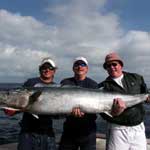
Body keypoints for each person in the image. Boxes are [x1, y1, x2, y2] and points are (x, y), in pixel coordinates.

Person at [99, 52, 150, 150]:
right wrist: (115, 113)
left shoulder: (136, 78)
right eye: (108, 66)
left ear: (121, 65)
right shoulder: (103, 87)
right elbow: (102, 113)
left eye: (114, 64)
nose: (111, 67)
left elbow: (146, 95)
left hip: (138, 129)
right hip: (117, 130)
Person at [5, 57, 58, 150]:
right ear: (40, 69)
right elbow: (20, 102)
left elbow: (57, 114)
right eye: (44, 67)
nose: (47, 70)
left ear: (54, 71)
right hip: (28, 132)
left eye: (50, 68)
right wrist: (12, 109)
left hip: (48, 132)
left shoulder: (57, 87)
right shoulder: (31, 82)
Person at [59, 57, 98, 150]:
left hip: (89, 131)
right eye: (77, 65)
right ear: (73, 68)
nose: (80, 67)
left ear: (87, 69)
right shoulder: (65, 82)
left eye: (83, 64)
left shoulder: (93, 84)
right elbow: (61, 103)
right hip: (69, 130)